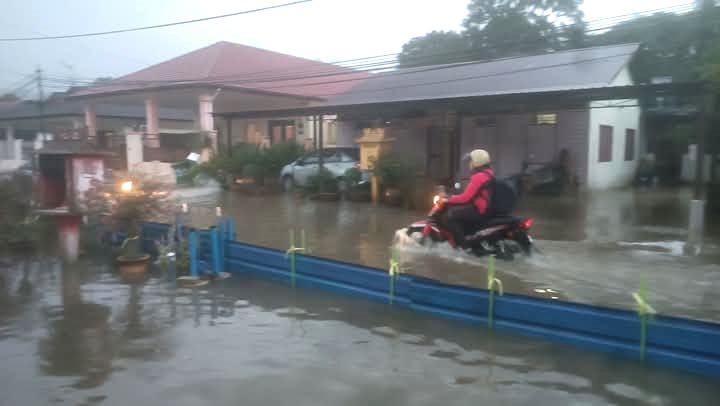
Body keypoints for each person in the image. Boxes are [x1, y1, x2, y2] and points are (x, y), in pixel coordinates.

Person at [440, 149, 494, 249]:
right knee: (460, 211)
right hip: (486, 209)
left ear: (477, 162)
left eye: (470, 161)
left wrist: (447, 199)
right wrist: (454, 197)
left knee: (450, 216)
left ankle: (463, 247)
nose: (469, 164)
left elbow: (465, 198)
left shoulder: (479, 177)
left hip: (480, 210)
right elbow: (472, 194)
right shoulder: (489, 173)